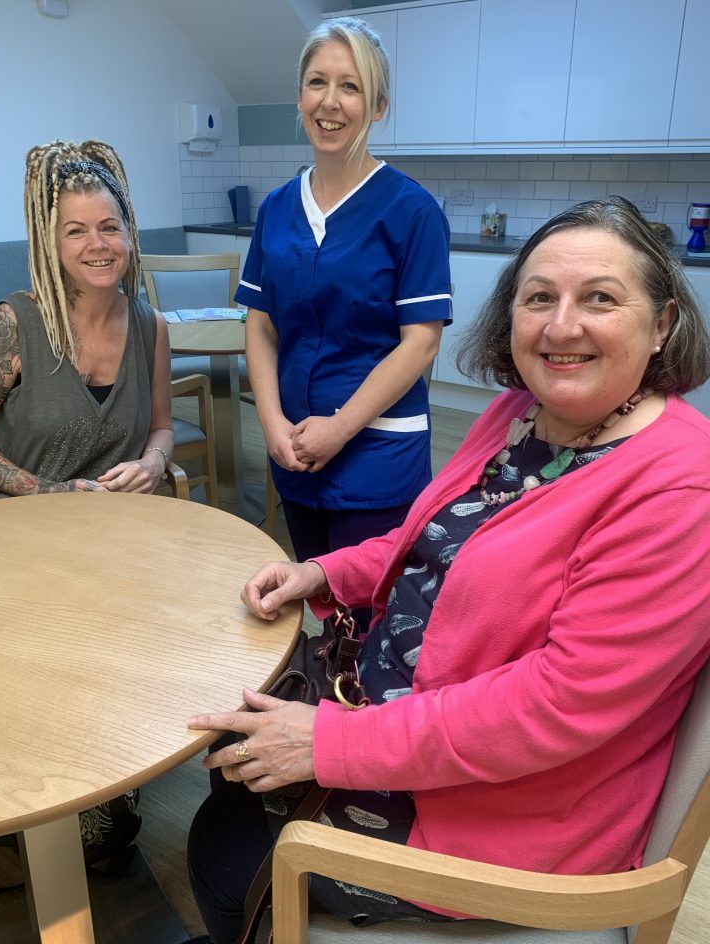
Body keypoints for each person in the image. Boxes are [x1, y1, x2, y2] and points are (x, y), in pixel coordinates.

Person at [185, 197, 710, 943]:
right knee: (226, 743)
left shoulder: (680, 486)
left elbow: (554, 707)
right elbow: (435, 541)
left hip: (507, 814)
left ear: (661, 325)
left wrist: (331, 744)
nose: (562, 326)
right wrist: (328, 574)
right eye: (539, 298)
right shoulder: (520, 413)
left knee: (226, 851)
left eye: (600, 298)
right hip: (396, 708)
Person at [234, 16, 452, 569]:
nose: (330, 102)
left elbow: (420, 344)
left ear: (378, 106)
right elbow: (260, 323)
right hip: (296, 446)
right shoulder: (278, 208)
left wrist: (340, 428)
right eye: (317, 82)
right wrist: (272, 424)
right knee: (317, 594)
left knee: (370, 606)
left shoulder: (412, 211)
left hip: (377, 449)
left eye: (350, 86)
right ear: (300, 94)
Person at [0, 140, 173, 502]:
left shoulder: (150, 326)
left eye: (110, 227)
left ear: (130, 236)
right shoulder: (14, 323)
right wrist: (52, 491)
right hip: (13, 515)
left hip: (111, 520)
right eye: (76, 231)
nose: (97, 244)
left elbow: (161, 427)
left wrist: (153, 464)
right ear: (52, 245)